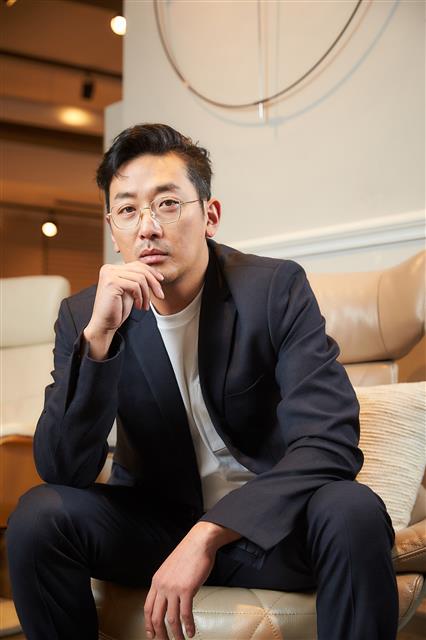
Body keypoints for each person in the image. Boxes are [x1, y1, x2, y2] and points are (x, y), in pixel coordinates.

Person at [7, 123, 398, 640]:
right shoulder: (85, 315)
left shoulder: (273, 289)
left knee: (353, 510)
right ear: (113, 228)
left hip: (269, 529)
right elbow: (62, 469)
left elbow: (330, 442)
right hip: (156, 528)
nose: (148, 227)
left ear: (210, 216)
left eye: (167, 204)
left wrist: (207, 535)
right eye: (128, 210)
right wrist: (98, 340)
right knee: (38, 516)